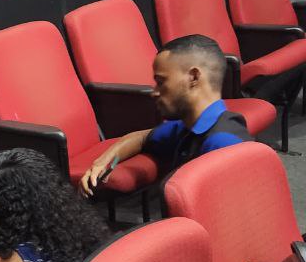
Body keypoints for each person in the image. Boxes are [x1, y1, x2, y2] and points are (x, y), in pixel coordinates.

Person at [80, 34, 252, 196]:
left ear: (193, 77)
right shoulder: (188, 127)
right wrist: (102, 163)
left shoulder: (224, 144)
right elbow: (140, 138)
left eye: (161, 82)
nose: (154, 92)